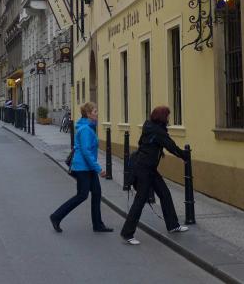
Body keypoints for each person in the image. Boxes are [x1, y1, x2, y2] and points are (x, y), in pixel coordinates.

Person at [120, 105, 190, 245]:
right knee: (140, 200)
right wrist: (185, 156)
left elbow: (142, 143)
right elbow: (171, 146)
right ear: (163, 117)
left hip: (149, 168)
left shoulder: (149, 127)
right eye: (168, 116)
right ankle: (127, 233)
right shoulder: (158, 131)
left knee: (165, 194)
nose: (169, 118)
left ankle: (173, 225)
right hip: (144, 169)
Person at [49, 102, 113, 234]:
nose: (97, 114)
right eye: (95, 111)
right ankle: (56, 216)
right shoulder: (85, 130)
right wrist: (99, 169)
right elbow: (86, 152)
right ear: (88, 114)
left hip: (88, 167)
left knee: (96, 193)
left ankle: (98, 224)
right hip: (82, 168)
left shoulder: (88, 127)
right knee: (82, 195)